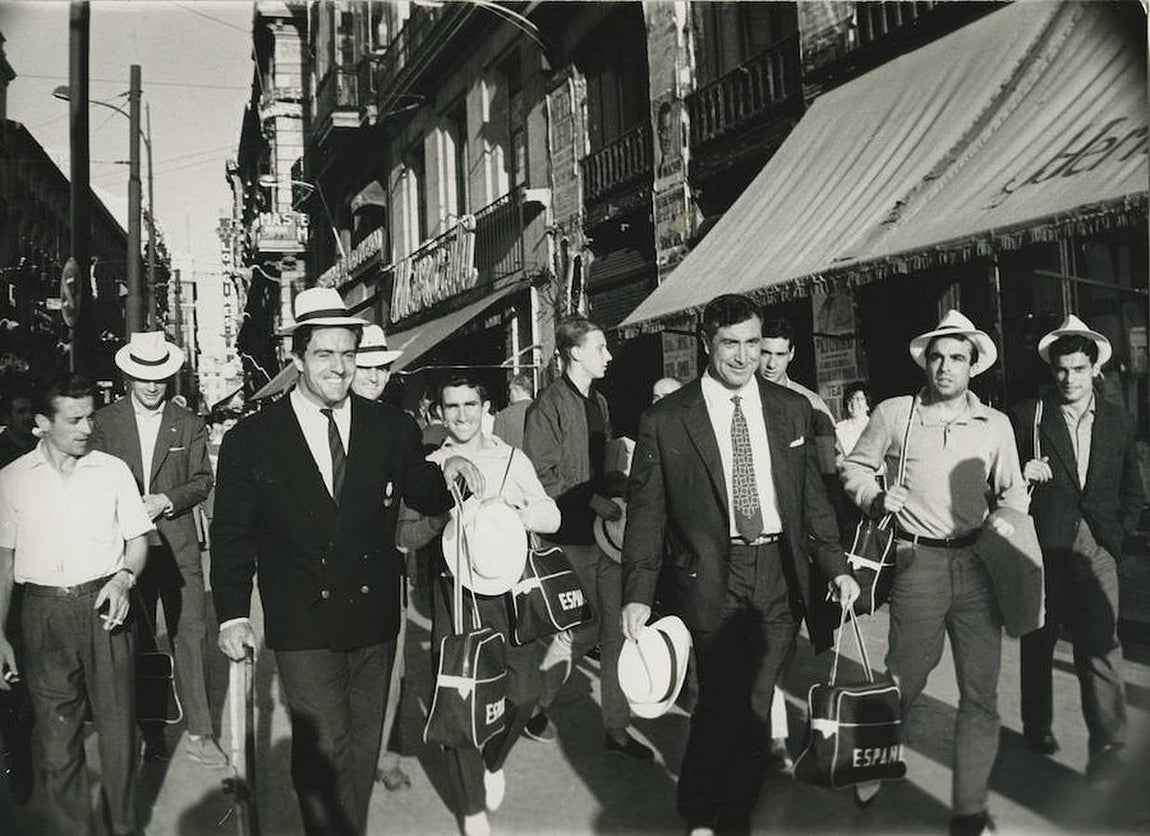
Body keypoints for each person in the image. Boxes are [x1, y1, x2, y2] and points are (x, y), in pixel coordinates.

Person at [210, 288, 481, 835]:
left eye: (347, 355)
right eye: (324, 355)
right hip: (302, 621)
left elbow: (423, 489)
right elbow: (231, 537)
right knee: (323, 752)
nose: (339, 367)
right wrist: (233, 614)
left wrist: (451, 465)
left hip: (374, 618)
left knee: (359, 751)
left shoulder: (390, 427)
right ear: (297, 358)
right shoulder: (253, 439)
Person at [621, 293, 858, 834]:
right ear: (708, 343)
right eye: (731, 343)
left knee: (755, 698)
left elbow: (812, 502)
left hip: (778, 571)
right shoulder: (667, 418)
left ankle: (727, 811)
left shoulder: (791, 408)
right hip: (709, 576)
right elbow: (647, 513)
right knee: (724, 697)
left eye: (754, 343)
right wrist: (637, 592)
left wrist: (837, 566)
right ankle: (713, 812)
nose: (744, 356)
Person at [841, 310, 1029, 835]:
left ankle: (969, 809)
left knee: (980, 694)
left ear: (974, 366)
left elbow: (1012, 491)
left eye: (957, 358)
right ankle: (870, 763)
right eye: (938, 357)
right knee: (904, 678)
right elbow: (853, 467)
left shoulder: (996, 425)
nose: (946, 367)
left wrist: (1009, 531)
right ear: (925, 363)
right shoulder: (894, 414)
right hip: (916, 562)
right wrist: (877, 496)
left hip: (978, 565)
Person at [398, 374, 559, 836]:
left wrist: (518, 513)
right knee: (458, 700)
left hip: (511, 595)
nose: (462, 415)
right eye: (452, 407)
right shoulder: (429, 467)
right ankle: (470, 809)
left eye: (470, 404)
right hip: (455, 597)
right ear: (439, 414)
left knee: (523, 695)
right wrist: (443, 512)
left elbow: (550, 512)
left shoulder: (512, 460)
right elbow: (404, 536)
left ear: (486, 407)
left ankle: (493, 762)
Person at [0, 373, 154, 835]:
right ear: (42, 423)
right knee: (56, 741)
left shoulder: (112, 470)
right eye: (75, 419)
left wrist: (126, 578)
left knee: (119, 735)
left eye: (90, 416)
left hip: (106, 609)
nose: (88, 428)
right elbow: (4, 563)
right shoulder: (11, 480)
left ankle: (122, 827)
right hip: (42, 614)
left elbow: (138, 539)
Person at [1011, 315, 1142, 782]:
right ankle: (1037, 725)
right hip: (1044, 545)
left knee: (1102, 645)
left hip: (1098, 549)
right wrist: (1021, 471)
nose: (1070, 378)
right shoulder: (1029, 417)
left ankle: (1108, 742)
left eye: (1079, 369)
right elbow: (1000, 481)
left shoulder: (1118, 421)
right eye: (1062, 370)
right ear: (1053, 371)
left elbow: (1133, 490)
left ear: (1095, 370)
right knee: (1039, 641)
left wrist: (1117, 536)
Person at [89, 331, 224, 767]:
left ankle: (201, 733)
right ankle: (149, 733)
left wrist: (166, 500)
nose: (152, 385)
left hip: (179, 546)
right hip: (127, 550)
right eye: (144, 376)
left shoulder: (188, 423)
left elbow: (203, 480)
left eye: (161, 377)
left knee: (191, 636)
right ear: (129, 375)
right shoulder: (105, 423)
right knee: (137, 640)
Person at [522, 315, 652, 760]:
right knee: (585, 626)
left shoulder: (599, 402)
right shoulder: (548, 406)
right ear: (575, 352)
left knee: (614, 631)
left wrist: (624, 482)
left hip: (606, 537)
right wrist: (596, 502)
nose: (609, 356)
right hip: (572, 537)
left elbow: (605, 467)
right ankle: (538, 704)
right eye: (601, 348)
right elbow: (541, 477)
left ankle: (616, 728)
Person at [757, 316, 842, 769]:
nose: (769, 363)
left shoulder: (810, 406)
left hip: (802, 544)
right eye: (763, 352)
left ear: (792, 356)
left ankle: (788, 726)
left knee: (788, 643)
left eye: (778, 354)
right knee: (764, 645)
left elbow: (828, 479)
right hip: (755, 544)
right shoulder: (738, 400)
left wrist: (829, 555)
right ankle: (773, 737)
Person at [349, 325, 413, 793]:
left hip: (388, 566)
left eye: (383, 367)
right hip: (332, 570)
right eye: (367, 366)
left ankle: (382, 753)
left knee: (391, 669)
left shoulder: (398, 424)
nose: (375, 375)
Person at [491, 373, 533, 450]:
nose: (509, 395)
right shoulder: (544, 412)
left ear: (516, 389)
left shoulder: (504, 416)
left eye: (509, 390)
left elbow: (496, 447)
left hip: (513, 460)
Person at [0, 386, 36, 468]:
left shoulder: (41, 446)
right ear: (6, 418)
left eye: (31, 410)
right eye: (21, 412)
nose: (29, 416)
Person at [835, 381, 872, 458]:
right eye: (850, 399)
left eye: (859, 399)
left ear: (867, 405)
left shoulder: (874, 426)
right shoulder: (839, 428)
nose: (854, 402)